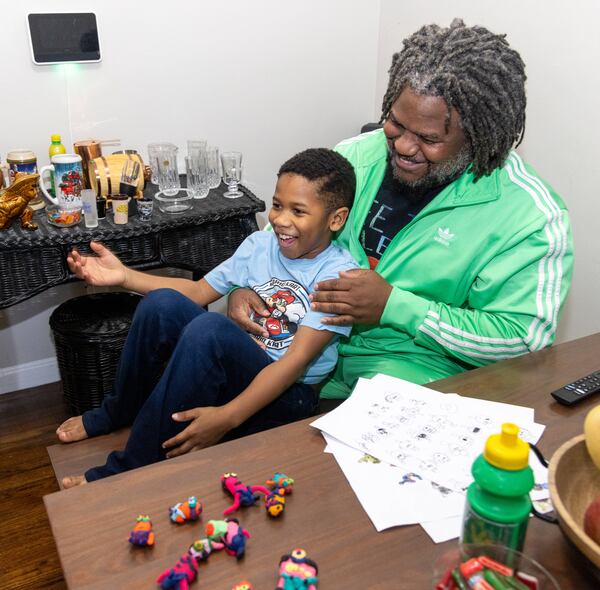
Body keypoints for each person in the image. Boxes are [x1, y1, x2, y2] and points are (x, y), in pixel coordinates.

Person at [228, 19, 573, 400]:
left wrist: (396, 306)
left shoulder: (530, 218)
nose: (403, 146)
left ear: (479, 138)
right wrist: (245, 287)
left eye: (428, 138)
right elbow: (277, 237)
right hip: (298, 353)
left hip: (406, 375)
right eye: (395, 122)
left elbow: (522, 341)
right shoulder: (357, 155)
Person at [56, 148, 358, 487]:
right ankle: (119, 411)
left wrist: (226, 419)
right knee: (162, 304)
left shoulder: (340, 279)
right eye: (277, 205)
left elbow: (295, 364)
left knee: (211, 329)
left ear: (335, 219)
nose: (281, 220)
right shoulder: (260, 244)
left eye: (298, 211)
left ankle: (122, 473)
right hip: (243, 372)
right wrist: (125, 276)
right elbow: (199, 291)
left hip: (289, 396)